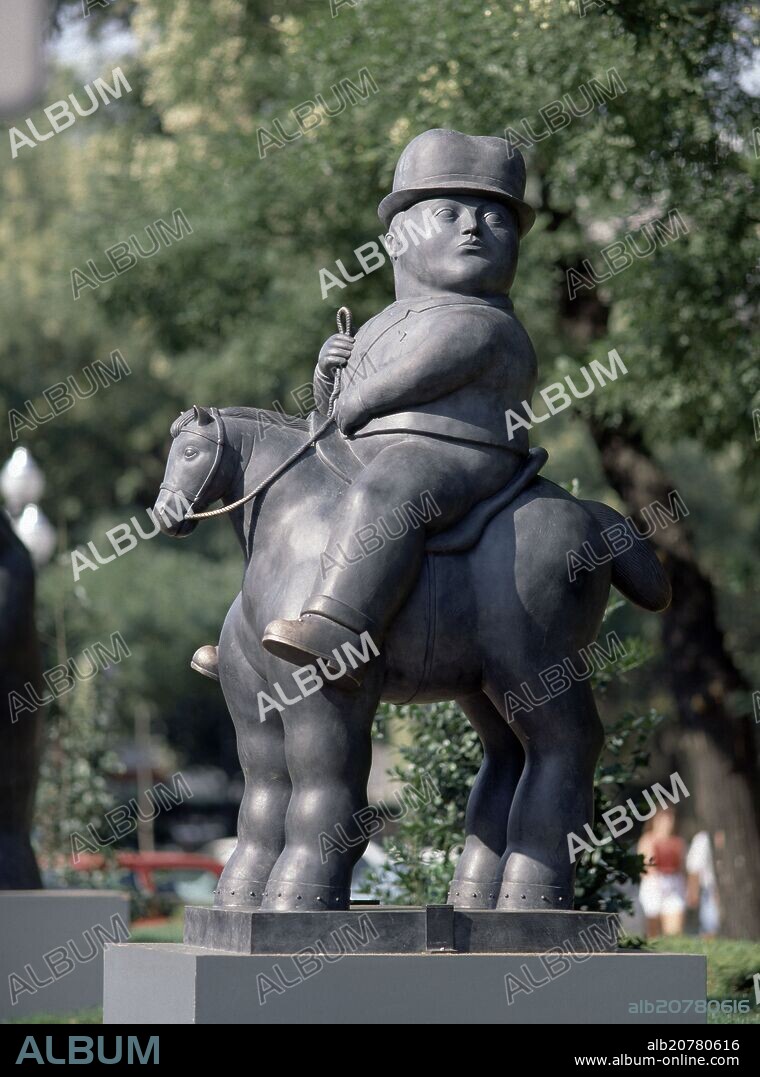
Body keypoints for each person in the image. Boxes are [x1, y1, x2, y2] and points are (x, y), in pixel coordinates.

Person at [260, 128, 542, 686]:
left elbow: (423, 371)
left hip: (459, 455)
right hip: (375, 447)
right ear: (397, 238)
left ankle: (340, 628)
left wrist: (358, 397)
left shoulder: (482, 320)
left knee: (387, 490)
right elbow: (331, 412)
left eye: (495, 218)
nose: (472, 226)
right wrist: (327, 374)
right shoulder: (377, 325)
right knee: (288, 497)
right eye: (449, 213)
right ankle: (252, 638)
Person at [637, 808, 687, 937]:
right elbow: (646, 864)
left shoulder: (678, 842)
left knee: (674, 930)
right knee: (653, 929)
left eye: (670, 820)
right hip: (654, 883)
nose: (667, 823)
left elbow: (681, 866)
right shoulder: (648, 839)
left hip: (673, 883)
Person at [686, 829, 720, 937]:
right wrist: (693, 892)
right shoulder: (703, 838)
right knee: (710, 928)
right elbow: (694, 868)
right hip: (709, 890)